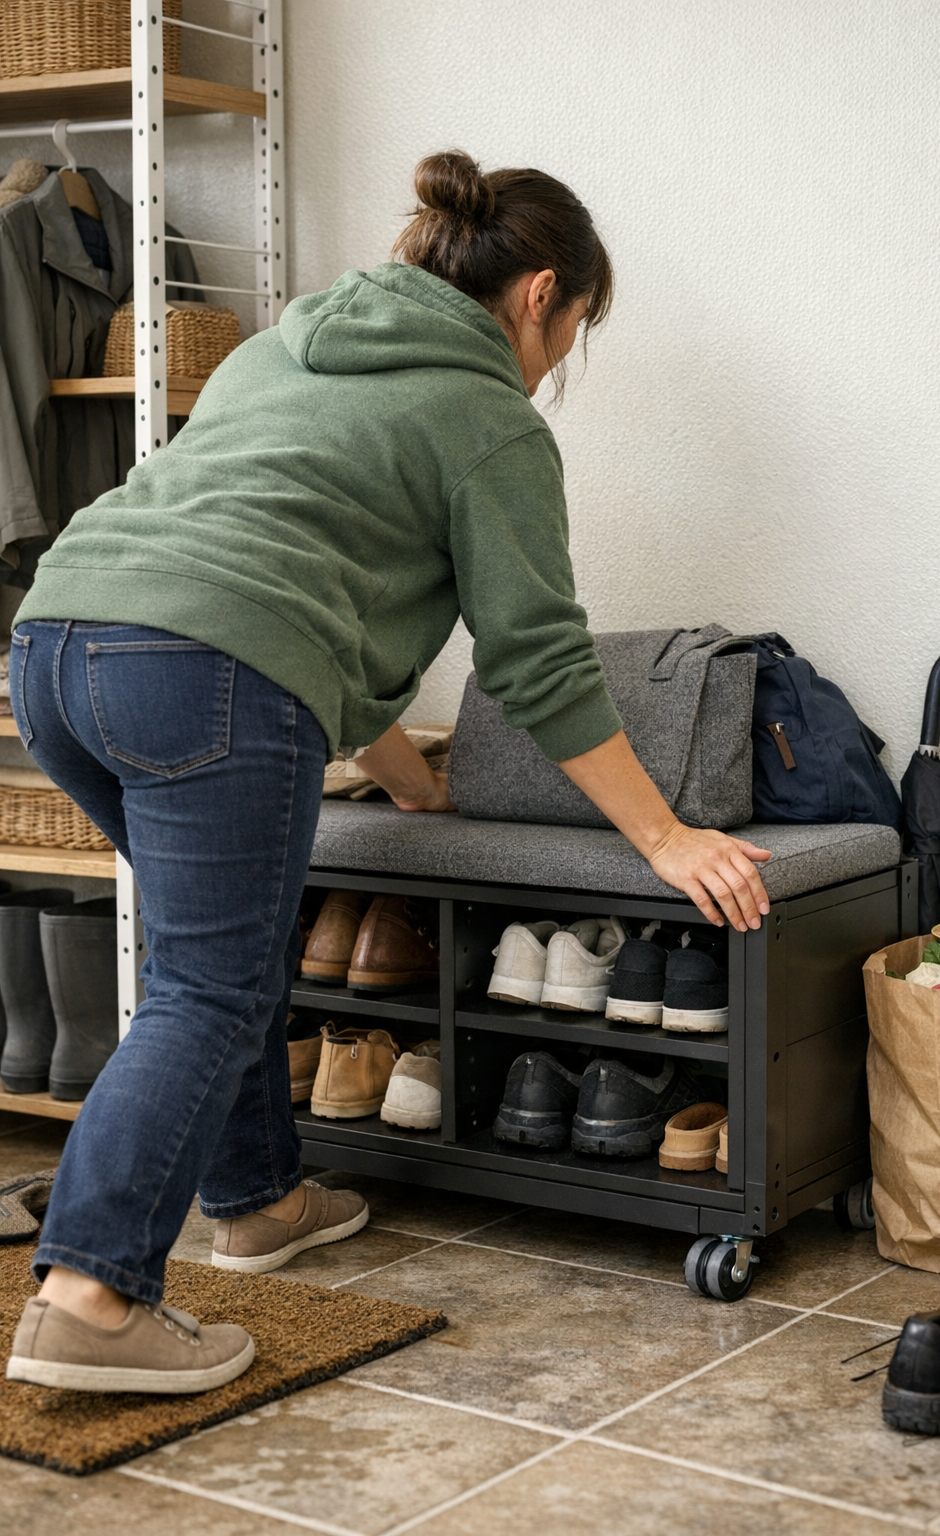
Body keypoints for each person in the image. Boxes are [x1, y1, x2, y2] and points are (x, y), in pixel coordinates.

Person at [4, 151, 770, 1395]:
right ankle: (88, 1295)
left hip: (56, 648)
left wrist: (407, 774)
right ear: (539, 296)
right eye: (574, 330)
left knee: (229, 953)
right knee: (209, 983)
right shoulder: (487, 420)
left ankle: (256, 1201)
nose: (560, 359)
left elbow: (290, 563)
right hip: (200, 668)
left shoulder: (283, 348)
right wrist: (664, 838)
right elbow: (535, 660)